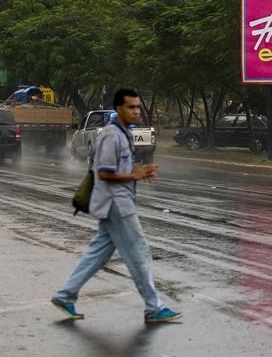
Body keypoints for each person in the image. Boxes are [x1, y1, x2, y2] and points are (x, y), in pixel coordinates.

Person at [51, 88, 182, 323]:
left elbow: (119, 168)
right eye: (131, 107)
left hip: (116, 203)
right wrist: (136, 175)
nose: (136, 111)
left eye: (137, 107)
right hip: (117, 204)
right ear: (119, 109)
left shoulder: (123, 134)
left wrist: (138, 171)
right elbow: (104, 172)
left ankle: (65, 295)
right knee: (139, 252)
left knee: (96, 254)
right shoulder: (112, 135)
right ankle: (154, 307)